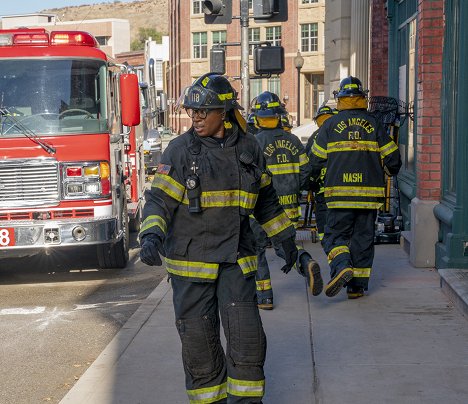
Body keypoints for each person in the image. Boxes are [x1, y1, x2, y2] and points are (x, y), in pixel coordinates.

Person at [139, 73, 297, 403]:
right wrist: (151, 235)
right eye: (191, 111)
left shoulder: (250, 148)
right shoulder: (180, 152)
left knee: (247, 339)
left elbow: (265, 201)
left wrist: (285, 240)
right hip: (191, 265)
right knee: (199, 344)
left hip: (235, 261)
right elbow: (159, 201)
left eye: (202, 112)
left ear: (223, 113)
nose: (194, 118)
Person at [309, 76, 401, 299]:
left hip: (339, 195)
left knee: (334, 235)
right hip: (369, 195)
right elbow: (393, 158)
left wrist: (312, 180)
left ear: (340, 99)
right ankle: (356, 288)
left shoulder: (329, 125)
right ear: (362, 98)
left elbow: (315, 160)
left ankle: (341, 266)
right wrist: (388, 171)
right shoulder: (375, 124)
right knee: (363, 239)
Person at [250, 91, 323, 310]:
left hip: (262, 210)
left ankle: (265, 297)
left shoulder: (254, 143)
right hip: (289, 208)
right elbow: (306, 170)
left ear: (258, 117)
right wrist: (294, 189)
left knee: (257, 250)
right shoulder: (293, 140)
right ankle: (305, 262)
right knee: (285, 247)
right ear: (279, 115)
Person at [305, 105, 337, 243]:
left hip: (321, 184)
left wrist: (310, 181)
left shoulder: (314, 137)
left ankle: (326, 239)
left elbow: (309, 160)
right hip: (339, 183)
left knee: (323, 210)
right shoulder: (340, 132)